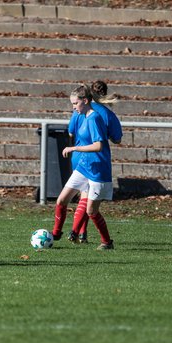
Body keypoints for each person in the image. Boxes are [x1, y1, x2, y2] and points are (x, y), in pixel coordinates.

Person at [51, 84, 115, 250]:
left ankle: (107, 242)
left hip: (98, 170)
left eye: (75, 104)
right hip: (84, 166)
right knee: (62, 200)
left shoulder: (94, 118)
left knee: (91, 212)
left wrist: (74, 148)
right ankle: (56, 234)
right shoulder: (83, 116)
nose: (73, 107)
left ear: (85, 101)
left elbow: (98, 146)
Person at [67, 80, 123, 244]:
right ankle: (78, 233)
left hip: (78, 157)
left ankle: (80, 233)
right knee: (88, 200)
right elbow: (117, 139)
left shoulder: (80, 110)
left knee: (84, 197)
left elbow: (71, 132)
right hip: (96, 160)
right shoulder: (106, 114)